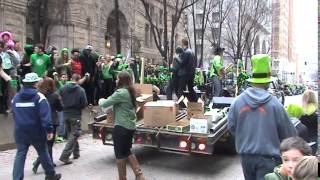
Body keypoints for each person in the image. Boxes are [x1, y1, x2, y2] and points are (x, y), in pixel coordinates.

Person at [227, 54, 297, 180]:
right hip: (268, 159)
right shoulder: (275, 105)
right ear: (268, 81)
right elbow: (290, 134)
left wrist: (245, 138)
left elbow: (232, 127)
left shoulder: (237, 102)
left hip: (246, 157)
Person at [11, 72, 61, 180]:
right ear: (35, 84)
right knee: (43, 151)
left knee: (20, 155)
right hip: (36, 131)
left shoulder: (16, 97)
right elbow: (45, 117)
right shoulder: (39, 97)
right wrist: (49, 130)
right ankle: (50, 174)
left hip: (20, 130)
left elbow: (14, 114)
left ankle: (17, 178)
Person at [99, 71, 145, 180]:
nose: (115, 80)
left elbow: (104, 104)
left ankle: (122, 178)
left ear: (121, 80)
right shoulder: (130, 91)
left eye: (117, 78)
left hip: (121, 127)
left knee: (119, 154)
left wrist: (101, 100)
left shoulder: (121, 93)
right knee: (127, 150)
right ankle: (139, 175)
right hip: (130, 126)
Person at [32, 77, 63, 174]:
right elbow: (60, 108)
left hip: (40, 121)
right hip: (52, 121)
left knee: (45, 143)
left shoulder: (38, 95)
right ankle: (41, 162)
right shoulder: (55, 95)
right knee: (49, 144)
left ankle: (49, 161)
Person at [59, 73, 87, 164]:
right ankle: (65, 156)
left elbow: (60, 99)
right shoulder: (81, 90)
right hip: (75, 114)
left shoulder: (63, 88)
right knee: (74, 134)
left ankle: (76, 152)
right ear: (78, 80)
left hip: (66, 114)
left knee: (71, 134)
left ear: (70, 78)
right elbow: (84, 103)